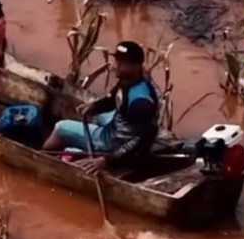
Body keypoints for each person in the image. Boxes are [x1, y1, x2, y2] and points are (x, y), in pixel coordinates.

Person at [41, 41, 161, 173]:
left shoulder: (141, 102)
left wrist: (107, 159)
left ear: (135, 66)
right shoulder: (130, 79)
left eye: (120, 63)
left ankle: (41, 158)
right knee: (100, 115)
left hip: (115, 144)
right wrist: (94, 107)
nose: (114, 66)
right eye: (116, 61)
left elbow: (140, 141)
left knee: (60, 128)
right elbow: (111, 100)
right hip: (120, 125)